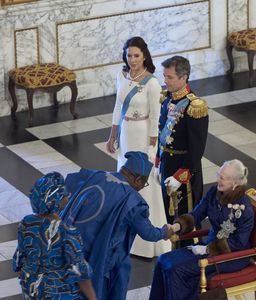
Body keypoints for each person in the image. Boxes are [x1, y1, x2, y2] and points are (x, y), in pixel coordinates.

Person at [61, 151, 175, 300]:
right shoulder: (133, 200)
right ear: (138, 179)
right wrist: (165, 231)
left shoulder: (97, 175)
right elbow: (149, 234)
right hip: (98, 254)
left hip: (70, 242)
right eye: (144, 183)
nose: (142, 187)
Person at [149, 159, 254, 300]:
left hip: (231, 257)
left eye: (223, 178)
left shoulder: (243, 208)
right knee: (163, 260)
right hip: (209, 247)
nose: (218, 180)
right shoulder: (213, 192)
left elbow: (239, 243)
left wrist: (207, 249)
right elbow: (197, 214)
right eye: (219, 175)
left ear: (235, 183)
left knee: (176, 269)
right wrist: (176, 227)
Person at [106, 36, 170, 257]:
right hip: (126, 134)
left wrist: (152, 150)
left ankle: (150, 241)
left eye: (136, 55)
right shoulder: (121, 75)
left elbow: (155, 117)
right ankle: (126, 236)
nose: (132, 59)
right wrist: (112, 135)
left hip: (143, 134)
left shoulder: (151, 82)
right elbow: (117, 106)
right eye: (129, 55)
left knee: (144, 181)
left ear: (144, 56)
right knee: (124, 181)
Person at [12, 172, 96, 300]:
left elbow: (19, 259)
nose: (67, 196)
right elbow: (79, 271)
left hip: (31, 289)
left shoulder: (26, 222)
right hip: (57, 294)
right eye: (63, 195)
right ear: (55, 200)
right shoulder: (67, 231)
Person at [155, 55, 209, 224]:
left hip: (185, 173)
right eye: (164, 76)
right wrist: (158, 164)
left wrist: (180, 177)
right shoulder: (167, 99)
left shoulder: (194, 107)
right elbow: (162, 134)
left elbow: (196, 150)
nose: (165, 81)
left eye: (169, 77)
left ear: (183, 77)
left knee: (185, 221)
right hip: (166, 166)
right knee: (169, 217)